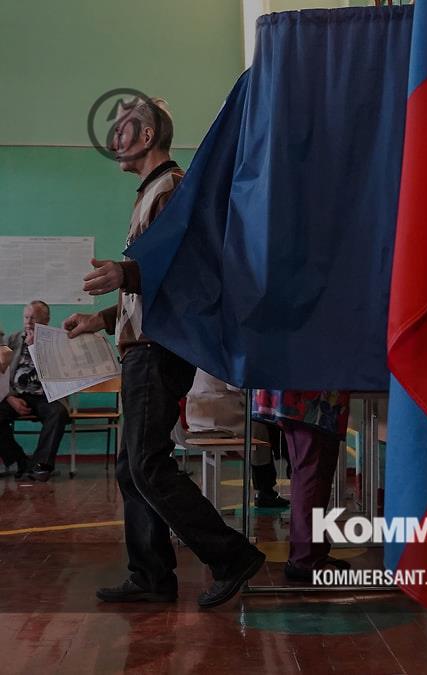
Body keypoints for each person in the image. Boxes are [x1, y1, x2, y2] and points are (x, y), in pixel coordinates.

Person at [63, 95, 264, 608]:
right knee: (132, 467)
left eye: (122, 130)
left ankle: (230, 556)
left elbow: (184, 270)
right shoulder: (151, 193)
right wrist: (101, 318)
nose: (114, 141)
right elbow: (150, 288)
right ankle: (151, 575)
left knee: (148, 464)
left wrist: (126, 273)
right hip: (144, 345)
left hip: (158, 350)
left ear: (147, 137)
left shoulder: (170, 189)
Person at [253, 390, 351, 582]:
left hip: (294, 393)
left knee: (310, 472)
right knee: (313, 474)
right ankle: (306, 560)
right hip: (311, 394)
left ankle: (312, 552)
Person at [179, 369, 288, 508]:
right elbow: (237, 385)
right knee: (261, 427)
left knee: (262, 426)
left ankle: (268, 486)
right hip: (220, 414)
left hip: (197, 415)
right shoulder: (224, 357)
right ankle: (265, 490)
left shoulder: (199, 357)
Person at [0, 301, 69, 480]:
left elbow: (59, 372)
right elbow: (1, 372)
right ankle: (20, 461)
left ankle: (41, 466)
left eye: (34, 318)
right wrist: (9, 397)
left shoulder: (55, 342)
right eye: (26, 317)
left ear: (46, 320)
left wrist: (35, 348)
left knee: (58, 413)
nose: (29, 322)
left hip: (45, 395)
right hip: (15, 395)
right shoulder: (11, 340)